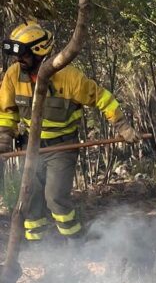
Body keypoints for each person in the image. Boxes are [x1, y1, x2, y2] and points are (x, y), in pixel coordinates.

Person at [0, 21, 137, 241]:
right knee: (30, 199)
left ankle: (75, 242)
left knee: (55, 198)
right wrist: (4, 137)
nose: (17, 60)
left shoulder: (69, 77)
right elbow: (6, 111)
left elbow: (102, 98)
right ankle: (38, 247)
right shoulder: (13, 75)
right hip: (30, 149)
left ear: (38, 52)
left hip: (62, 148)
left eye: (23, 55)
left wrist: (122, 125)